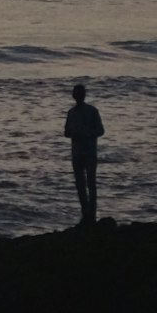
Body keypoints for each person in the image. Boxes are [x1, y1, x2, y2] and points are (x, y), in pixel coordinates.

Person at [64, 83, 104, 224]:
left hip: (89, 152)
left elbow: (100, 130)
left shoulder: (92, 111)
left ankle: (91, 213)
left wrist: (87, 134)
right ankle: (85, 212)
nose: (78, 96)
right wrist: (74, 133)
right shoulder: (71, 113)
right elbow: (66, 132)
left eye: (80, 93)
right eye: (76, 93)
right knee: (80, 184)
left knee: (91, 183)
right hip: (77, 153)